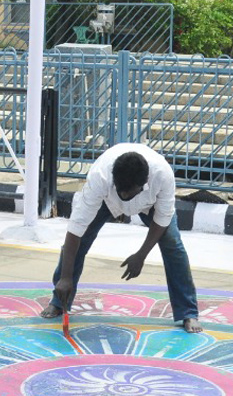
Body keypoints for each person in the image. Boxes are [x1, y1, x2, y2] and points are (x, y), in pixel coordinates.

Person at [42, 143, 202, 333]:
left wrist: (141, 255)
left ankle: (188, 312)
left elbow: (162, 219)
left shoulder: (163, 176)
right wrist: (66, 276)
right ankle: (58, 301)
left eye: (129, 192)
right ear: (114, 180)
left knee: (173, 245)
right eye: (121, 190)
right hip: (106, 202)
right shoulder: (100, 177)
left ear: (143, 185)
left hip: (149, 205)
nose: (125, 196)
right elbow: (76, 228)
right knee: (81, 241)